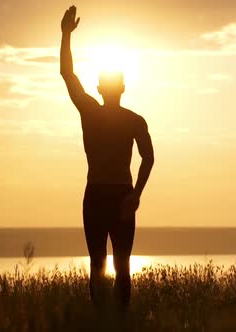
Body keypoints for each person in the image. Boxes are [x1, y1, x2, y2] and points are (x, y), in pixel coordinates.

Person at [60, 5, 155, 311]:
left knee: (103, 263)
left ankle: (107, 320)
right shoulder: (131, 120)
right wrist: (136, 195)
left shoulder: (94, 113)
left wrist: (65, 36)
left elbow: (67, 74)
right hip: (116, 195)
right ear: (121, 89)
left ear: (101, 89)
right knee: (116, 264)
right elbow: (149, 158)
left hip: (105, 195)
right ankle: (111, 321)